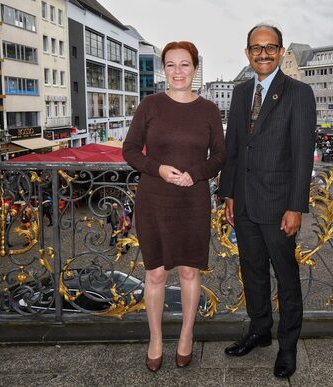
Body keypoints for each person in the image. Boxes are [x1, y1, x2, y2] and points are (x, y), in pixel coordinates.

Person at [218, 24, 316, 379]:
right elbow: (234, 150)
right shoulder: (241, 93)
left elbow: (303, 155)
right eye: (256, 48)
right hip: (243, 203)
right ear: (247, 52)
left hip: (278, 207)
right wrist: (228, 194)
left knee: (286, 278)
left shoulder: (299, 93)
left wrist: (296, 207)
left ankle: (287, 346)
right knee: (253, 272)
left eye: (270, 47)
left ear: (280, 50)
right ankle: (259, 330)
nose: (263, 53)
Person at [122, 41, 226, 373]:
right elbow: (131, 150)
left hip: (193, 199)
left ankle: (186, 335)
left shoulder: (209, 109)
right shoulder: (150, 104)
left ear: (195, 69)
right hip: (154, 198)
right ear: (163, 69)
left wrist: (195, 175)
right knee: (154, 273)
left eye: (184, 64)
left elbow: (221, 155)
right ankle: (154, 339)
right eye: (170, 64)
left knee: (188, 271)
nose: (178, 71)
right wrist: (159, 168)